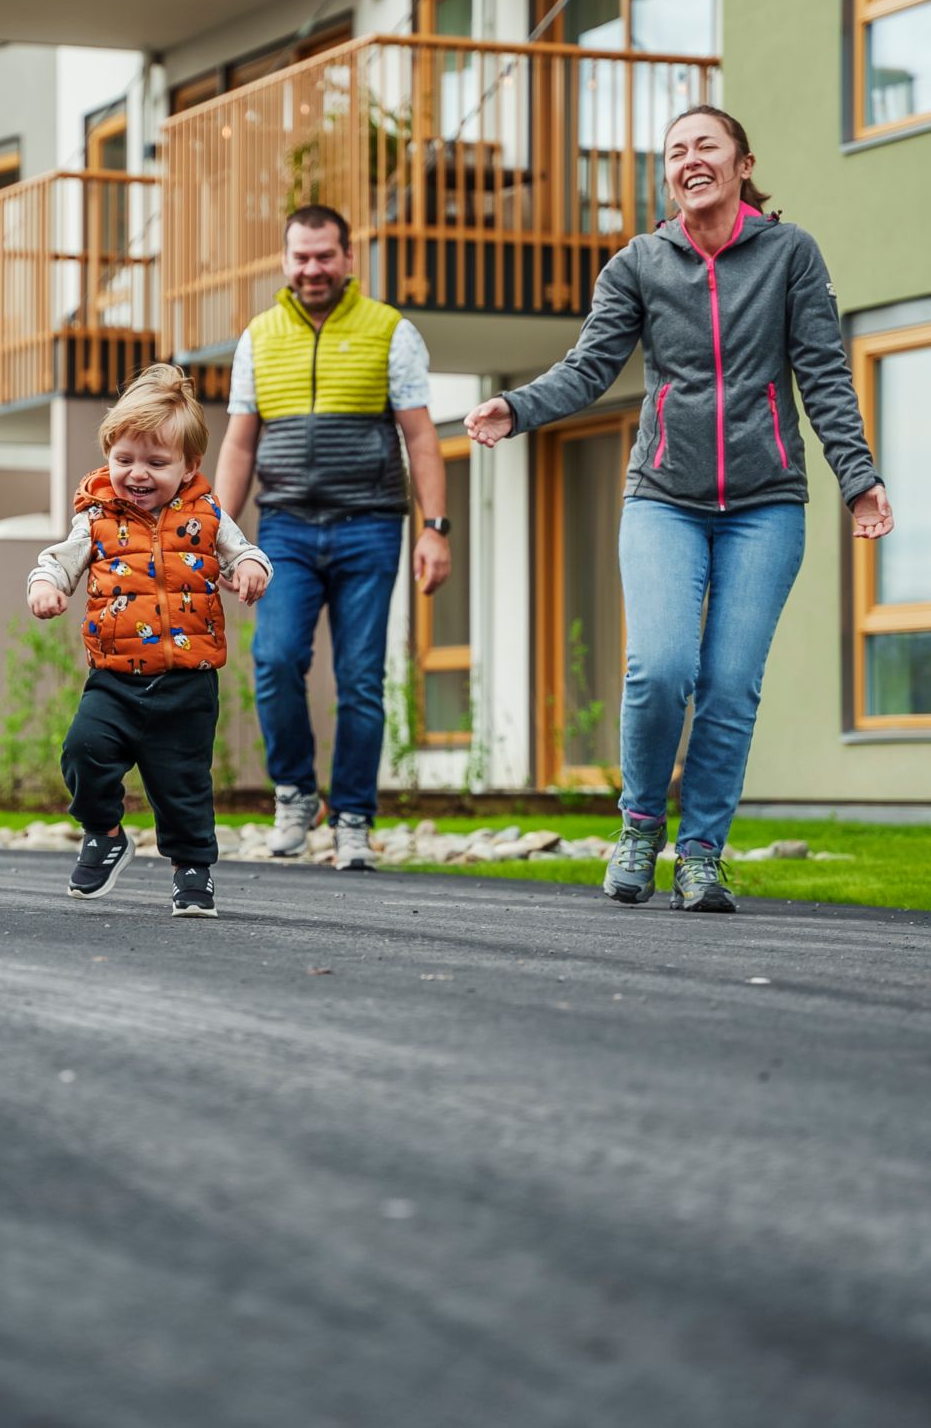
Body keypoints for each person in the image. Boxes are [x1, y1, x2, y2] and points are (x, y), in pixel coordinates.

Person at [466, 106, 893, 913]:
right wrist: (515, 408)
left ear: (741, 163)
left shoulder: (788, 254)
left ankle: (700, 852)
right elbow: (588, 367)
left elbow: (824, 373)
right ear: (667, 174)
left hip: (765, 502)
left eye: (705, 146)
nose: (689, 159)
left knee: (729, 684)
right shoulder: (639, 263)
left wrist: (856, 475)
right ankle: (637, 826)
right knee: (661, 668)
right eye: (675, 151)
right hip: (662, 494)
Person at [214, 205, 451, 872]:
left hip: (369, 527)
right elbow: (238, 444)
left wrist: (434, 528)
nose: (312, 268)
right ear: (284, 262)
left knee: (360, 678)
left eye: (324, 255)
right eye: (300, 256)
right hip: (284, 527)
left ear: (348, 259)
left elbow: (420, 437)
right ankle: (293, 793)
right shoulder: (258, 337)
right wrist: (220, 535)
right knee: (275, 658)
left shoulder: (389, 332)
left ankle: (352, 815)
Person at [28, 363, 271, 918]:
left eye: (156, 463)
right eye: (124, 460)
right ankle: (105, 834)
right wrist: (44, 587)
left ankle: (192, 872)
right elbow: (57, 563)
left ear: (189, 468)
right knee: (83, 752)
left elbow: (245, 552)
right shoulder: (97, 520)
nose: (137, 474)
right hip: (113, 678)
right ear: (109, 455)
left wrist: (254, 571)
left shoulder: (207, 515)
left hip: (187, 682)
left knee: (182, 783)